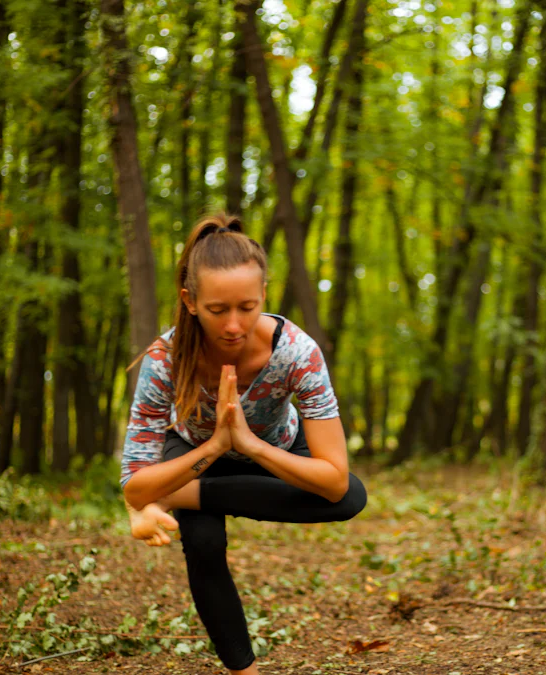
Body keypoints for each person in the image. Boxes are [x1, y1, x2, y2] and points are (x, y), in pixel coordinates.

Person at [119, 212, 367, 674]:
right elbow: (134, 484)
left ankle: (174, 497)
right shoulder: (164, 359)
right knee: (204, 538)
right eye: (218, 310)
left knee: (350, 495)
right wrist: (214, 448)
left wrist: (248, 445)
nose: (234, 325)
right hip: (194, 452)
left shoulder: (297, 352)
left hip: (274, 447)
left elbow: (334, 481)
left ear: (264, 298)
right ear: (190, 301)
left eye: (248, 307)